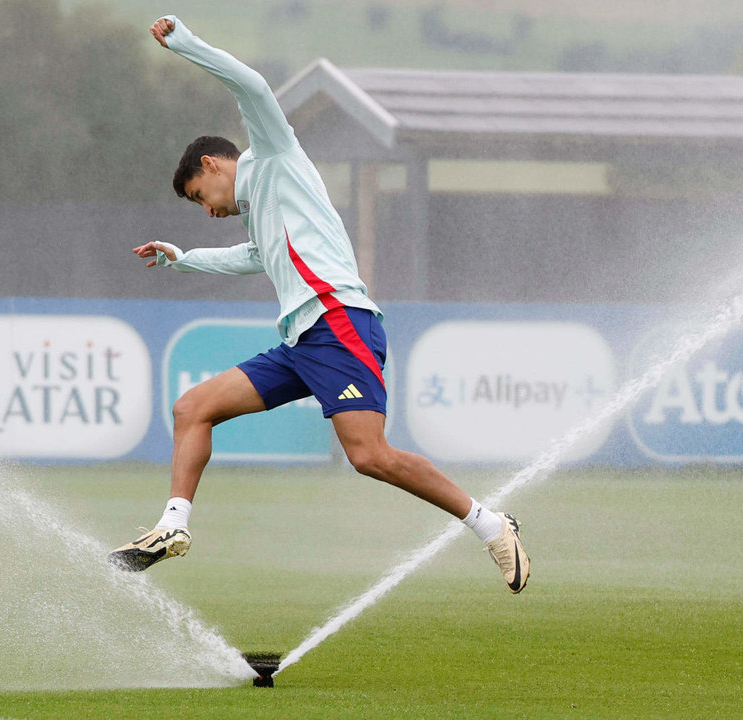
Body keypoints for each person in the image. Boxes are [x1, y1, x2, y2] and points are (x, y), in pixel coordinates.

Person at [109, 16, 530, 594]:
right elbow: (251, 257)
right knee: (192, 408)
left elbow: (251, 86)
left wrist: (184, 44)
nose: (207, 210)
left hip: (341, 322)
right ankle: (172, 527)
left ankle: (490, 525)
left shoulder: (274, 157)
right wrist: (183, 257)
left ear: (212, 166)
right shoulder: (260, 210)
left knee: (368, 455)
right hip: (303, 340)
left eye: (200, 197)